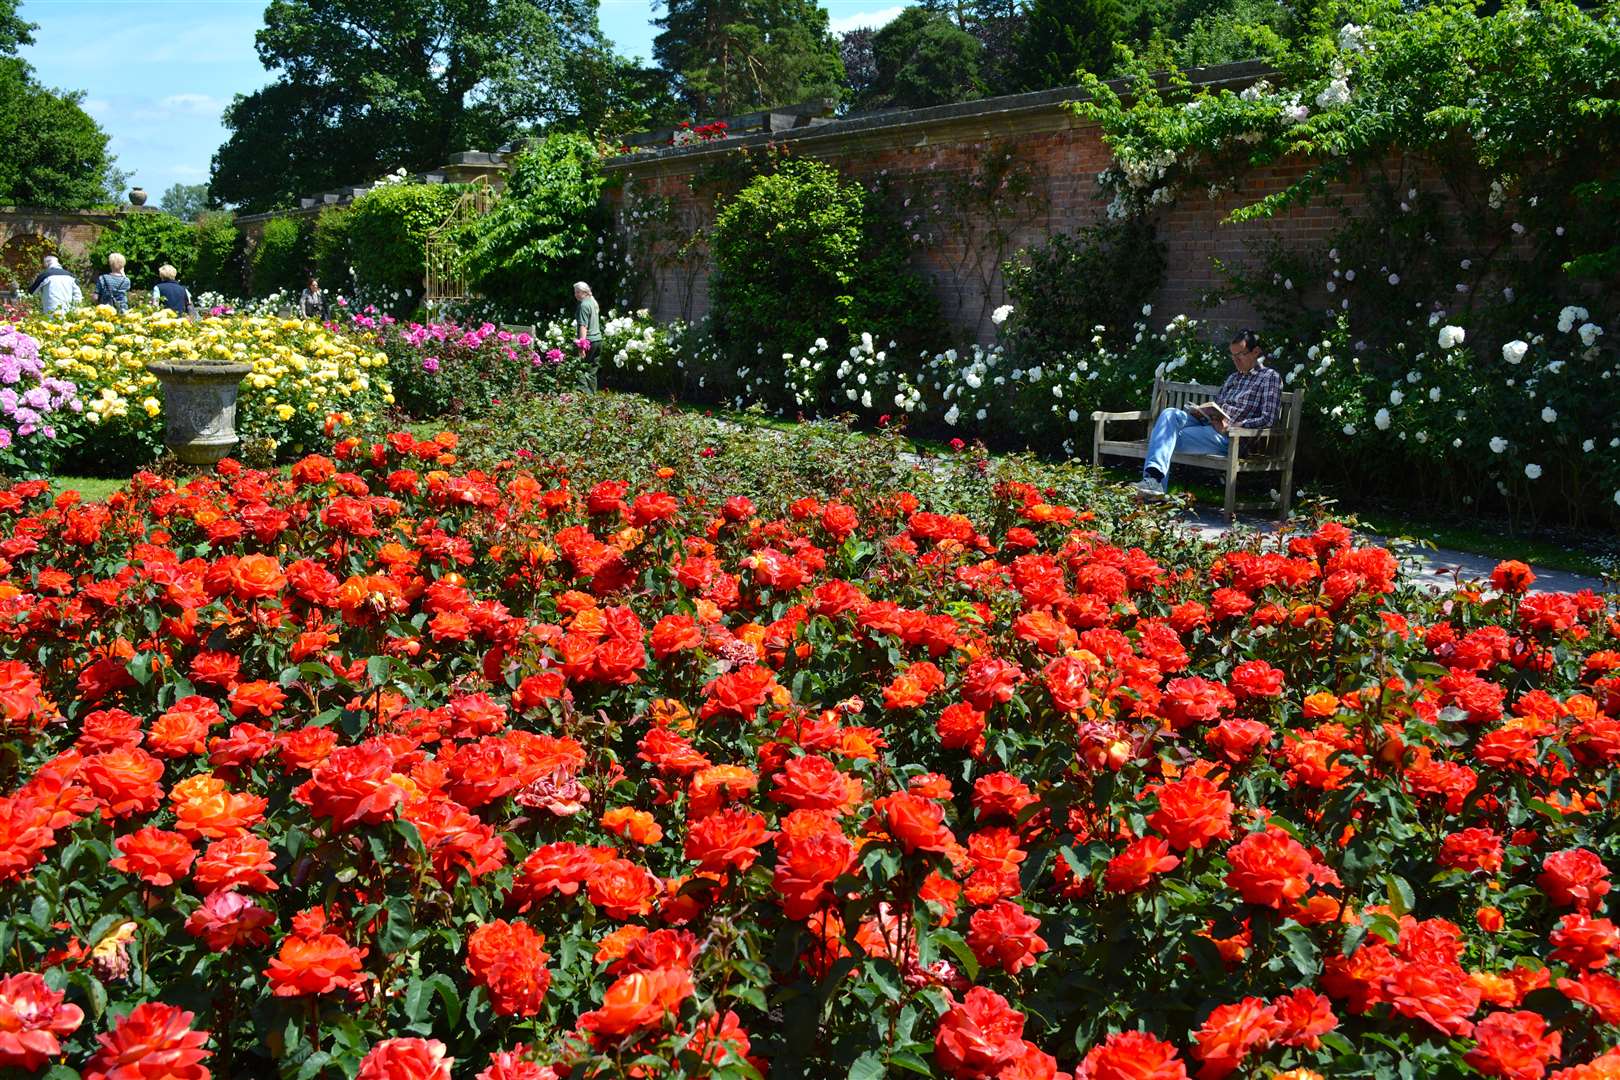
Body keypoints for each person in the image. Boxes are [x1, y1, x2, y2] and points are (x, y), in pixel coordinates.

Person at [1135, 329, 1282, 498]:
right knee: (1169, 414)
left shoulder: (1269, 377)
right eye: (1233, 356)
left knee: (1163, 436)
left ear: (1256, 352)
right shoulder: (1234, 378)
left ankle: (1153, 488)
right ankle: (1154, 483)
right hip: (1208, 426)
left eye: (1240, 354)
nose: (1236, 360)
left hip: (1230, 439)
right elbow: (1216, 406)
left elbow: (1268, 419)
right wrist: (1201, 412)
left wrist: (1232, 426)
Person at [573, 281, 602, 392]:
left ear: (584, 292)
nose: (575, 294)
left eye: (577, 292)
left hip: (589, 342)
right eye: (575, 292)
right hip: (598, 340)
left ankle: (584, 398)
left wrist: (582, 346)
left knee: (582, 370)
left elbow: (583, 327)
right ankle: (592, 397)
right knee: (592, 372)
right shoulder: (592, 302)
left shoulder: (583, 305)